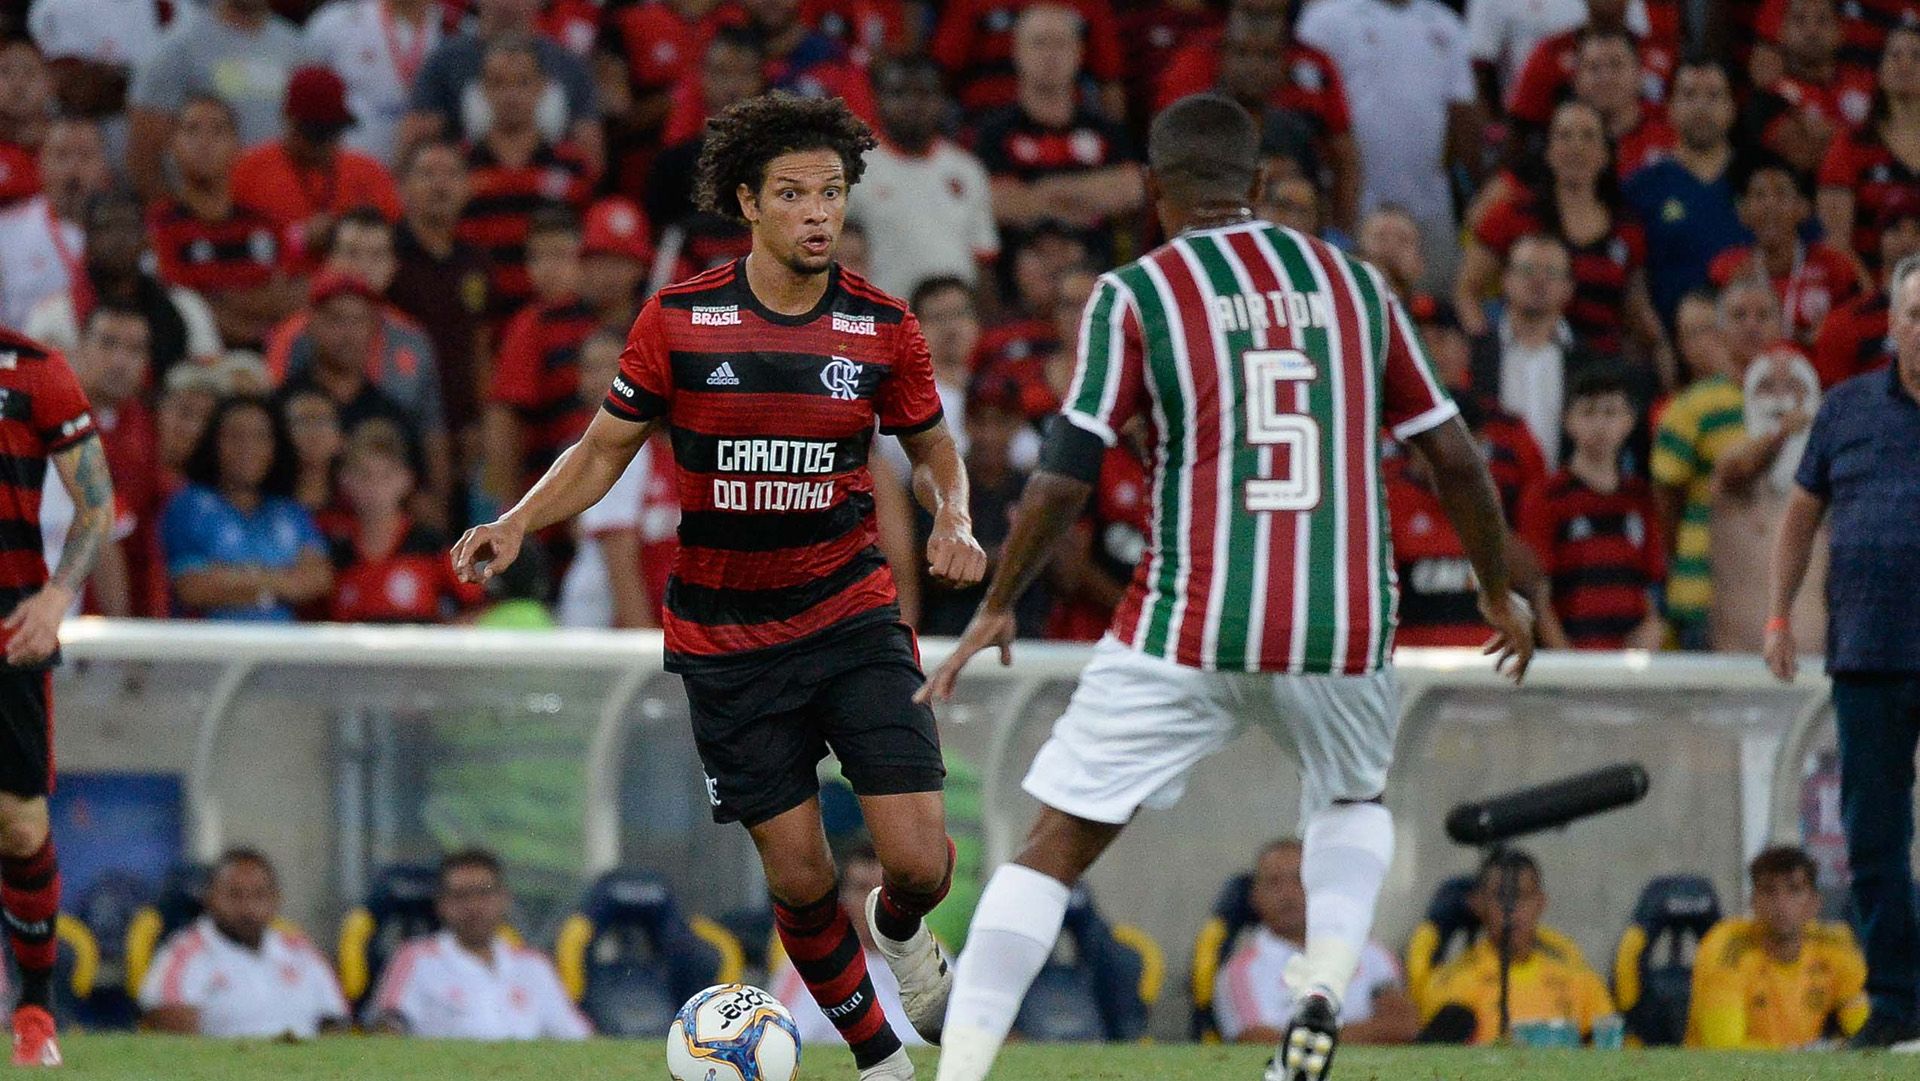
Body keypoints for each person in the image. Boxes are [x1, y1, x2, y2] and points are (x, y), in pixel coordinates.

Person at [919, 93, 1534, 1081]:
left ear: (1154, 191)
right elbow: (1455, 457)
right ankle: (1325, 986)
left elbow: (1065, 471)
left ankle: (960, 1072)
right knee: (1351, 798)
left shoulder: (1136, 294)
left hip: (1190, 618)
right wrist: (1497, 591)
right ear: (1257, 187)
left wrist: (998, 599)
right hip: (1343, 619)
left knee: (1055, 844)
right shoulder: (1356, 284)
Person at [452, 93, 987, 1081]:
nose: (817, 212)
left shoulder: (882, 328)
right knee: (799, 872)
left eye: (831, 192)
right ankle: (881, 1063)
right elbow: (604, 445)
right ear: (749, 202)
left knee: (919, 863)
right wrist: (518, 518)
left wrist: (952, 517)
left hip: (853, 620)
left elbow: (934, 451)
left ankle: (901, 928)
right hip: (728, 644)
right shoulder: (681, 321)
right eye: (793, 193)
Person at [1766, 251, 1920, 1047]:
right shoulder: (1846, 409)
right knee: (1873, 839)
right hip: (1867, 651)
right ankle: (1897, 1003)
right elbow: (1798, 517)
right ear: (1893, 325)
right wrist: (1778, 617)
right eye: (1916, 314)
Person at [0, 324, 113, 1067]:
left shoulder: (35, 371)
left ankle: (36, 1006)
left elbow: (95, 503)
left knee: (18, 825)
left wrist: (56, 595)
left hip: (8, 630)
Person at [1455, 100, 1661, 365]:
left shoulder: (1627, 227)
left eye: (1588, 136)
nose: (1576, 146)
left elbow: (1635, 313)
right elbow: (1466, 291)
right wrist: (1488, 349)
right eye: (1564, 136)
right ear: (1549, 151)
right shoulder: (1511, 213)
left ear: (1605, 154)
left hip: (1598, 373)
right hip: (1522, 360)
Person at [1297, 0, 1480, 290]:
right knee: (1350, 293)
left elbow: (1463, 114)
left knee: (1433, 300)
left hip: (1429, 197)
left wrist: (1471, 191)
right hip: (1352, 196)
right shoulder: (1325, 19)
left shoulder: (1446, 23)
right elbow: (1309, 111)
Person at [1652, 275, 1789, 650]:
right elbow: (1667, 503)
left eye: (1764, 315)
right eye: (1739, 315)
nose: (1752, 324)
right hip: (1703, 595)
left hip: (1776, 594)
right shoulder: (1688, 408)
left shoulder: (1802, 402)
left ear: (1781, 325)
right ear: (1720, 328)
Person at [279, 270, 452, 524]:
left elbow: (420, 500)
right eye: (336, 319)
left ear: (373, 328)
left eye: (358, 320)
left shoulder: (391, 414)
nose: (348, 333)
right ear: (312, 324)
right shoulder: (282, 406)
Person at [972, 5, 1143, 260]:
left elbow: (1131, 190)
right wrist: (1089, 197)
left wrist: (1042, 191)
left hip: (1097, 272)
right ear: (1017, 51)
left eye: (1061, 44)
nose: (1050, 55)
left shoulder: (1107, 130)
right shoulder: (993, 132)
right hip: (1019, 281)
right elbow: (999, 204)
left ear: (1079, 53)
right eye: (1039, 43)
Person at [1517, 366, 1665, 649]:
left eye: (1610, 413)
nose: (1600, 424)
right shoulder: (1546, 496)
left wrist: (1652, 628)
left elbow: (1648, 583)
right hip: (1575, 660)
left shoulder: (1640, 496)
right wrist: (1567, 660)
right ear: (1567, 421)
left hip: (1630, 664)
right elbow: (1538, 594)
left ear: (1629, 421)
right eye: (1588, 412)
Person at [1215, 839, 1417, 1045]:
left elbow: (1403, 1027)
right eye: (1273, 883)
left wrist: (1303, 1039)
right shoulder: (1240, 971)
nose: (1287, 894)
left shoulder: (1372, 954)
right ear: (1255, 896)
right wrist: (1365, 1033)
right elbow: (1258, 1042)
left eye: (1299, 879)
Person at [370, 849, 589, 1038]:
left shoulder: (534, 964)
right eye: (461, 896)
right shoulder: (415, 958)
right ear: (442, 904)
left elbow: (577, 1037)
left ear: (504, 899)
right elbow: (386, 1030)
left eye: (484, 894)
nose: (474, 906)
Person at [138, 848, 349, 1038]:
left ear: (276, 898)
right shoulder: (184, 954)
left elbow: (335, 1025)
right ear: (209, 898)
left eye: (259, 895)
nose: (248, 908)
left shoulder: (301, 950)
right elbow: (175, 1042)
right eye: (234, 895)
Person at [146, 96, 303, 351]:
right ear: (172, 146)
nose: (204, 142)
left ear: (238, 147)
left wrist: (219, 297)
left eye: (218, 130)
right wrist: (256, 313)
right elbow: (181, 303)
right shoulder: (160, 224)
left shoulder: (266, 225)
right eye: (192, 130)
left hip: (269, 361)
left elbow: (294, 297)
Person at [455, 36, 593, 323]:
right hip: (480, 320)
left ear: (542, 88)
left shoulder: (573, 166)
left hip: (554, 321)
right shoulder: (459, 167)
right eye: (499, 83)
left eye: (522, 82)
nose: (511, 94)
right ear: (482, 90)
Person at [160, 394, 333, 622]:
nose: (247, 447)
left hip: (282, 652)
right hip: (207, 651)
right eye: (235, 436)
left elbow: (319, 579)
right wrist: (279, 584)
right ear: (214, 442)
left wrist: (232, 577)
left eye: (260, 437)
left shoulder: (290, 511)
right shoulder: (188, 506)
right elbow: (193, 588)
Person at [125, 0, 318, 202]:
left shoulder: (299, 49)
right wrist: (174, 218)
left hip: (277, 208)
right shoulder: (176, 48)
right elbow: (143, 150)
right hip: (201, 214)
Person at [1418, 849, 1615, 1045]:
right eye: (1499, 897)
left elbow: (1609, 1053)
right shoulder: (1452, 983)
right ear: (1479, 903)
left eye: (1522, 897)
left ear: (1540, 902)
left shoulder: (1579, 979)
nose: (1511, 911)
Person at [23, 190, 222, 380]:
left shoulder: (186, 306)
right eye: (107, 227)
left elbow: (208, 382)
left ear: (146, 239)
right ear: (88, 240)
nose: (119, 238)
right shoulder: (52, 315)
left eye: (129, 226)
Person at [847, 55, 999, 301]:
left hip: (951, 324)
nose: (912, 105)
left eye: (924, 94)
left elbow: (983, 261)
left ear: (941, 101)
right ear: (878, 100)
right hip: (884, 322)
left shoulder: (967, 170)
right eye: (899, 94)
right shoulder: (852, 169)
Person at [1688, 845, 1868, 1049]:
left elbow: (1865, 1030)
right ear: (1753, 901)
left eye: (1794, 890)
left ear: (1814, 903)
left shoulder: (1835, 944)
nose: (1781, 904)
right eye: (1769, 891)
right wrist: (1804, 1054)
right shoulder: (1727, 947)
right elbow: (1725, 1049)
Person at [403, 0, 603, 174]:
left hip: (550, 194)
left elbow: (590, 151)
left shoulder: (568, 66)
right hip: (467, 193)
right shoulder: (445, 62)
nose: (507, 3)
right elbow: (414, 142)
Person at [230, 66, 404, 261]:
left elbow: (398, 241)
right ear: (288, 121)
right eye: (315, 134)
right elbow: (229, 247)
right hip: (276, 285)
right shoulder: (249, 170)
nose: (325, 144)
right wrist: (296, 239)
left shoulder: (369, 172)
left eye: (332, 132)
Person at [483, 207, 597, 501]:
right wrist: (508, 509)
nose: (547, 268)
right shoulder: (531, 324)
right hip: (552, 493)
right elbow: (504, 418)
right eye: (538, 257)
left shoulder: (600, 315)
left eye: (560, 255)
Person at [1622, 56, 1744, 327]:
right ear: (1670, 109)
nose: (1701, 106)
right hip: (1668, 341)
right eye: (1689, 95)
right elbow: (1631, 277)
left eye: (1713, 96)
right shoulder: (1640, 187)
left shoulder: (1760, 180)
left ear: (1732, 108)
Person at [770, 839, 925, 1048]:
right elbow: (778, 1040)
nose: (874, 900)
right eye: (862, 889)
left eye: (884, 889)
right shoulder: (814, 967)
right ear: (842, 899)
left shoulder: (929, 956)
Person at [389, 139, 491, 449]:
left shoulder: (477, 262)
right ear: (403, 187)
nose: (440, 185)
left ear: (467, 188)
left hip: (460, 423)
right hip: (397, 417)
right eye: (427, 174)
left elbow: (480, 346)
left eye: (450, 174)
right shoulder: (386, 253)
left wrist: (480, 420)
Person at [1465, 234, 1599, 468]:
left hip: (1563, 495)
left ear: (1568, 288)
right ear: (1506, 280)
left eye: (1551, 272)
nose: (1538, 280)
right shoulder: (1474, 353)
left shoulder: (1591, 362)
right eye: (1527, 270)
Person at [326, 423, 481, 623]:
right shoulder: (336, 552)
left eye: (385, 475)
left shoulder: (430, 544)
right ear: (346, 481)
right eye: (364, 475)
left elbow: (479, 605)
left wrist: (441, 638)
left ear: (405, 479)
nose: (375, 486)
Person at [1709, 154, 1866, 348]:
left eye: (1781, 194)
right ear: (1743, 212)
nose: (1770, 205)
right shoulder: (1726, 269)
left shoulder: (1834, 266)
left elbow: (1863, 325)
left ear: (1804, 208)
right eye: (1759, 195)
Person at [1817, 27, 1920, 271]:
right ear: (1880, 71)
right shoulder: (1850, 144)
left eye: (1917, 55)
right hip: (1870, 290)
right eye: (1895, 55)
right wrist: (1874, 296)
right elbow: (1836, 242)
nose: (1905, 64)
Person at [302, 0, 445, 166]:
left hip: (422, 176)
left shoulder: (451, 29)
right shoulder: (335, 23)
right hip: (342, 172)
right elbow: (302, 100)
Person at [0, 117, 109, 331]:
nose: (73, 167)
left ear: (104, 167)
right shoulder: (5, 232)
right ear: (40, 165)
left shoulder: (126, 230)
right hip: (25, 359)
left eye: (85, 156)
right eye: (61, 155)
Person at [931, 0, 1125, 116]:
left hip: (1066, 123)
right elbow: (942, 71)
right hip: (986, 119)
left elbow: (1109, 81)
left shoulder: (1090, 4)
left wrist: (1114, 139)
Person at [1814, 199, 1920, 388]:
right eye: (1896, 229)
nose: (1908, 241)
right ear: (1880, 239)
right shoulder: (1844, 323)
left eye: (1917, 231)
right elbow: (1837, 404)